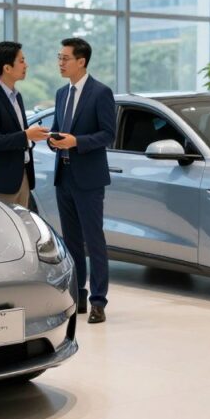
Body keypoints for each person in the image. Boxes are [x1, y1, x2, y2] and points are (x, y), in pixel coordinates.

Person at [49, 37, 116, 324]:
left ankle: (98, 301)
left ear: (81, 61)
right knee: (72, 243)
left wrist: (77, 142)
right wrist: (53, 141)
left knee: (94, 241)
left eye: (65, 58)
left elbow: (107, 134)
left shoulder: (101, 92)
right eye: (59, 57)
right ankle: (78, 295)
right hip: (64, 176)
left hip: (88, 179)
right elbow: (57, 130)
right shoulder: (61, 94)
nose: (60, 63)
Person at [0, 41, 48, 208]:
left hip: (23, 176)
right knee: (2, 231)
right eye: (21, 61)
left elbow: (18, 133)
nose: (26, 65)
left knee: (22, 230)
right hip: (2, 183)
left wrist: (31, 136)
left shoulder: (17, 96)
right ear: (7, 68)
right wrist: (26, 135)